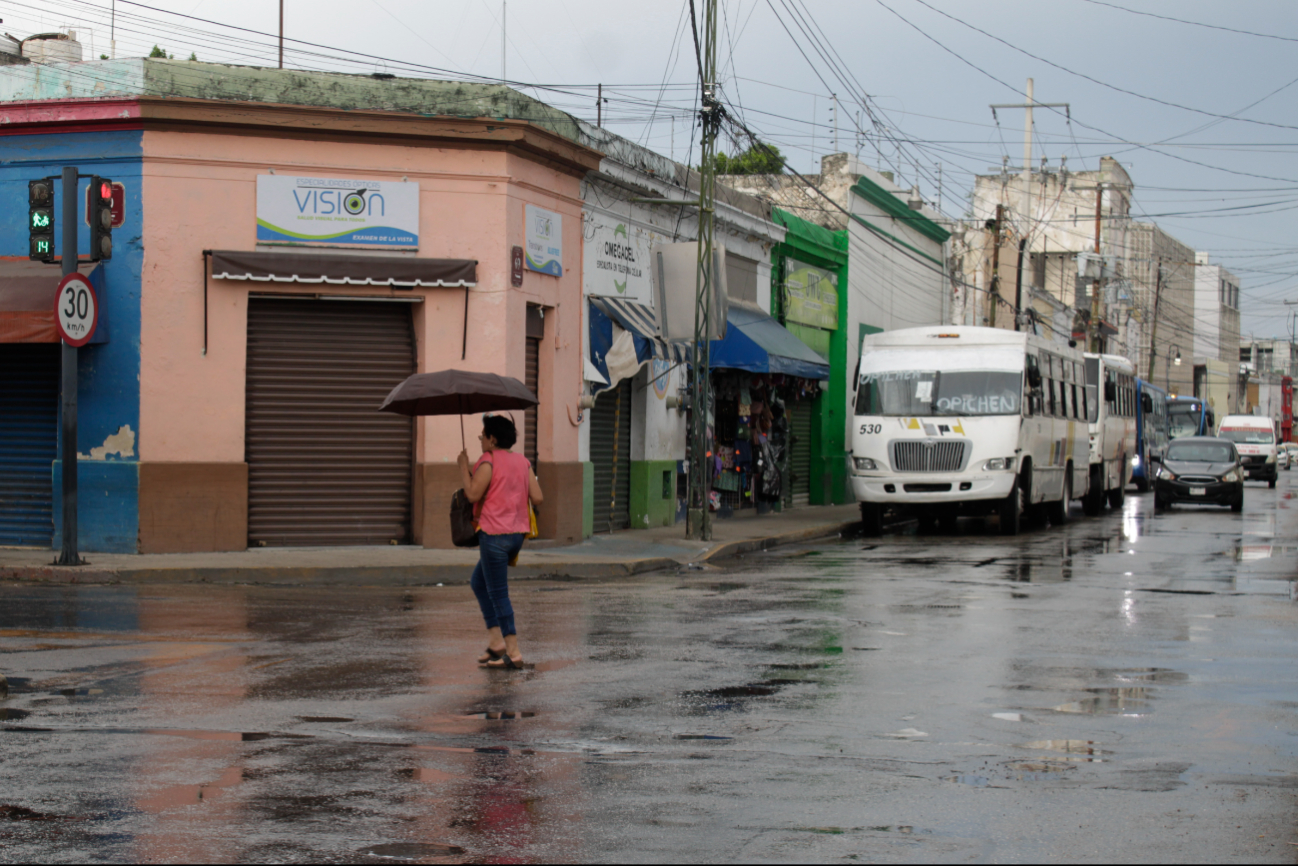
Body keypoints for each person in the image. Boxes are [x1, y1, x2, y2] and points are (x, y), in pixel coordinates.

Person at [457, 413, 543, 670]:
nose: (481, 438)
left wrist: (463, 466)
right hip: (516, 536)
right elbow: (537, 498)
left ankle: (513, 651)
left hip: (493, 536)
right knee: (478, 582)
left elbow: (472, 494)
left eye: (483, 435)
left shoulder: (488, 461)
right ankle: (496, 642)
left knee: (498, 594)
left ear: (493, 439)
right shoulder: (523, 462)